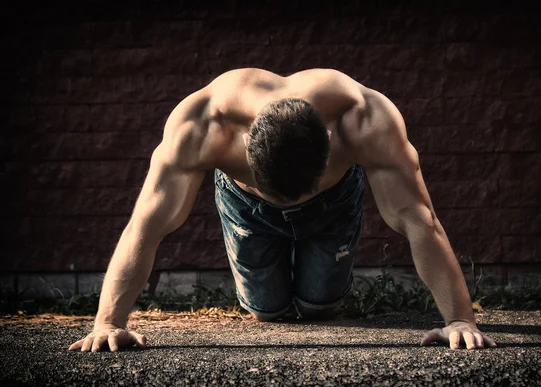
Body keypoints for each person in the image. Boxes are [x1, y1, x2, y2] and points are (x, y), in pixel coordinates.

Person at [68, 68, 496, 353]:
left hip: (332, 204)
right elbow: (148, 222)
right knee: (267, 310)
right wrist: (108, 322)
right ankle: (270, 292)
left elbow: (418, 217)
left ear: (329, 143)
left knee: (319, 306)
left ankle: (318, 292)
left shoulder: (365, 117)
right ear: (246, 148)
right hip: (247, 208)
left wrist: (459, 318)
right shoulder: (202, 123)